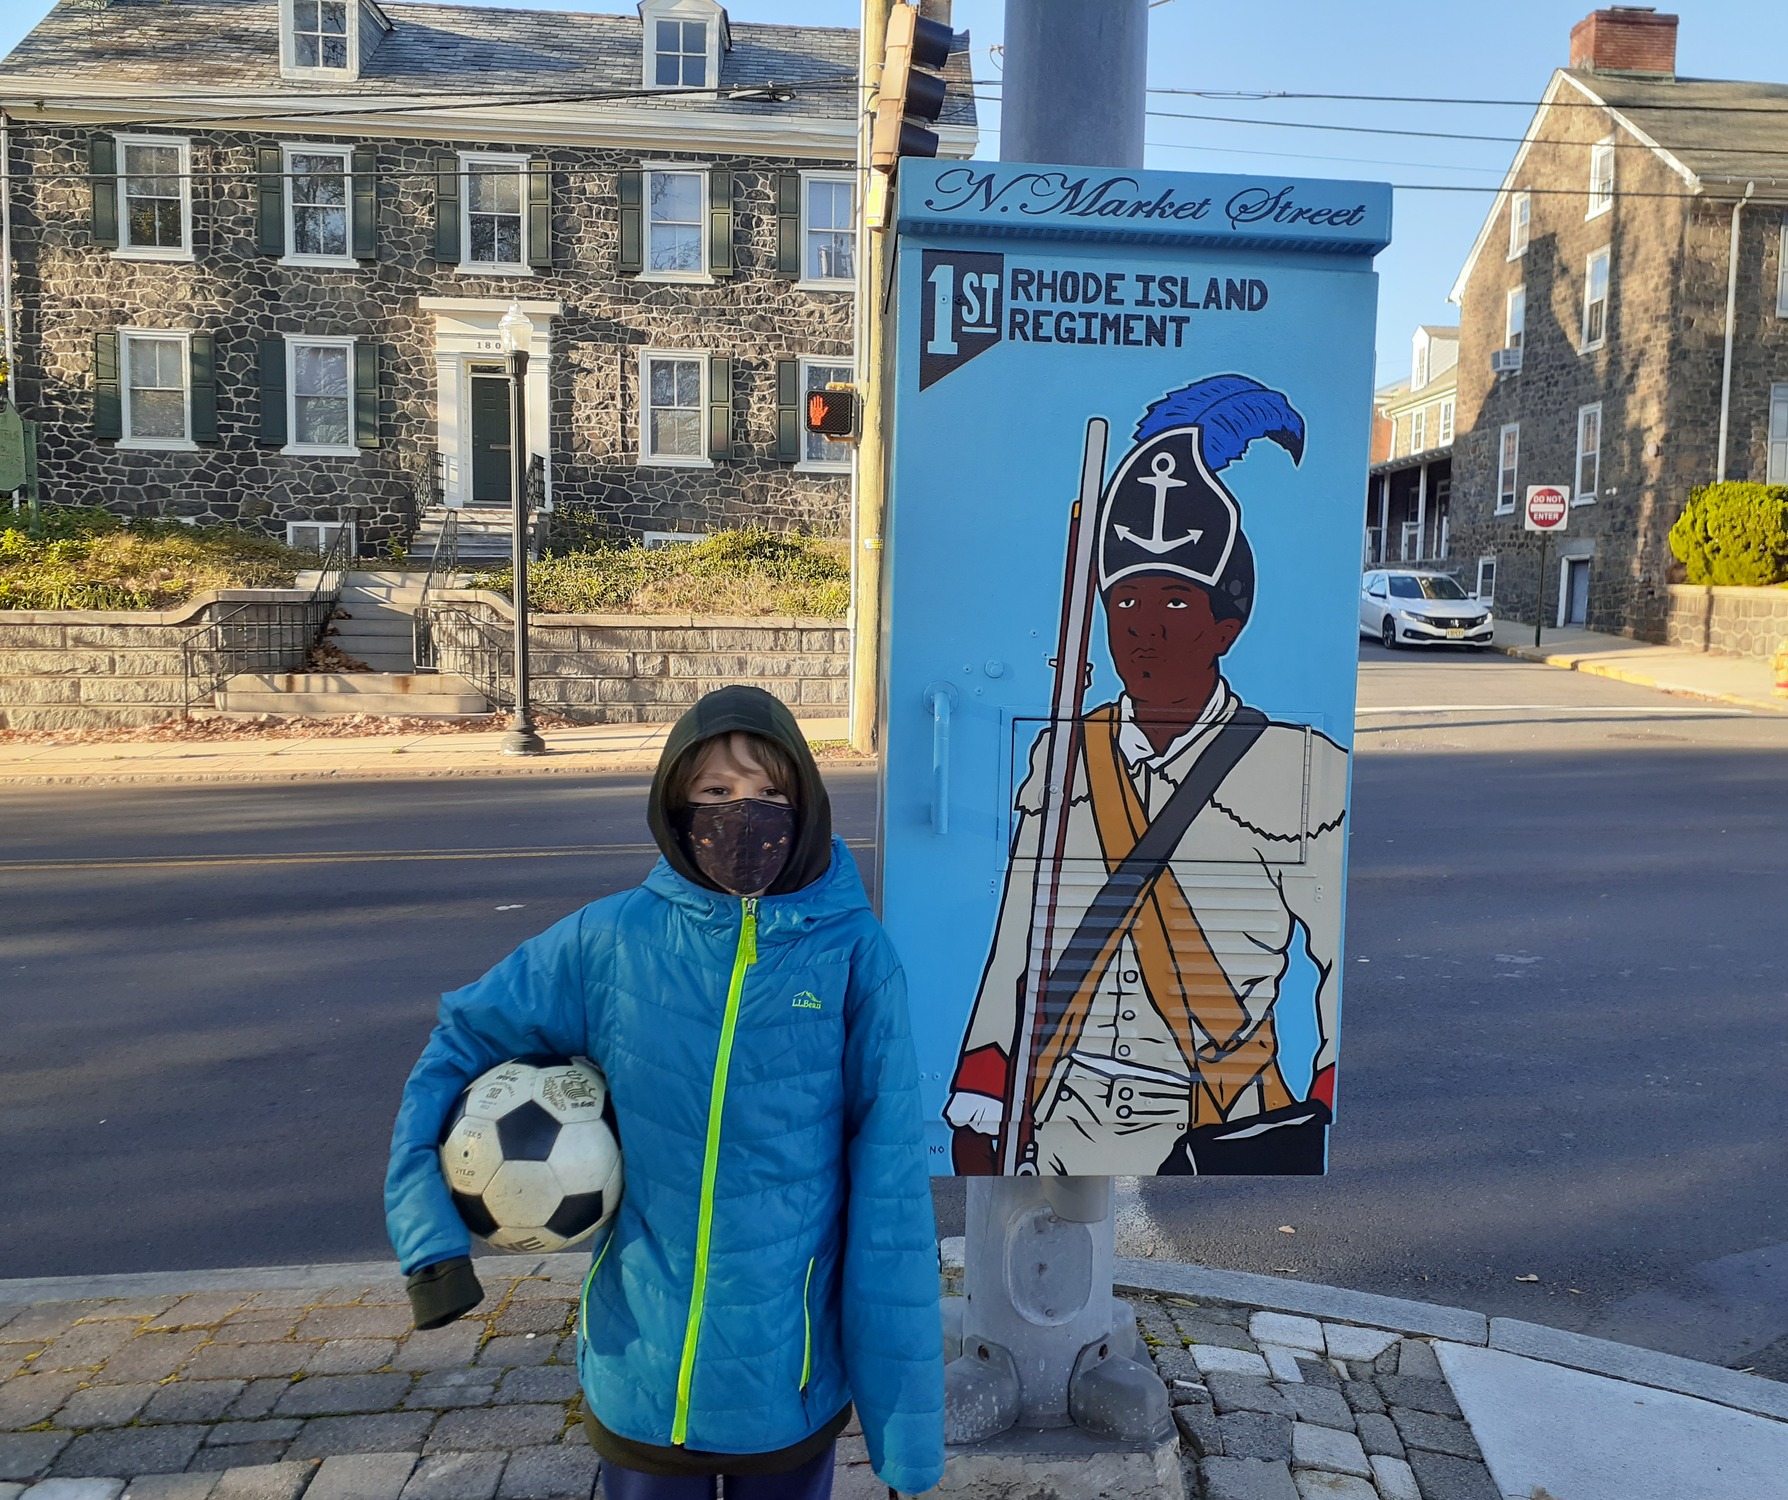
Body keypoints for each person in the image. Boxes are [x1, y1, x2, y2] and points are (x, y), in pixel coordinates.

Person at [384, 685, 944, 1500]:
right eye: (716, 793)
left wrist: (907, 1445)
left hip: (784, 1389)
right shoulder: (610, 939)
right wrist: (430, 1241)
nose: (742, 815)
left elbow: (892, 1200)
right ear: (677, 806)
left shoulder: (856, 958)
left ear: (807, 807)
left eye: (768, 794)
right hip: (638, 1376)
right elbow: (462, 1037)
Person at [943, 375, 1348, 1178]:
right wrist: (983, 1084)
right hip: (1056, 1108)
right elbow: (1017, 937)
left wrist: (1320, 1103)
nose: (1143, 633)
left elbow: (1336, 958)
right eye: (1125, 605)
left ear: (1226, 625)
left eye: (1173, 604)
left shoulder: (1303, 768)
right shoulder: (1062, 753)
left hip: (1214, 1126)